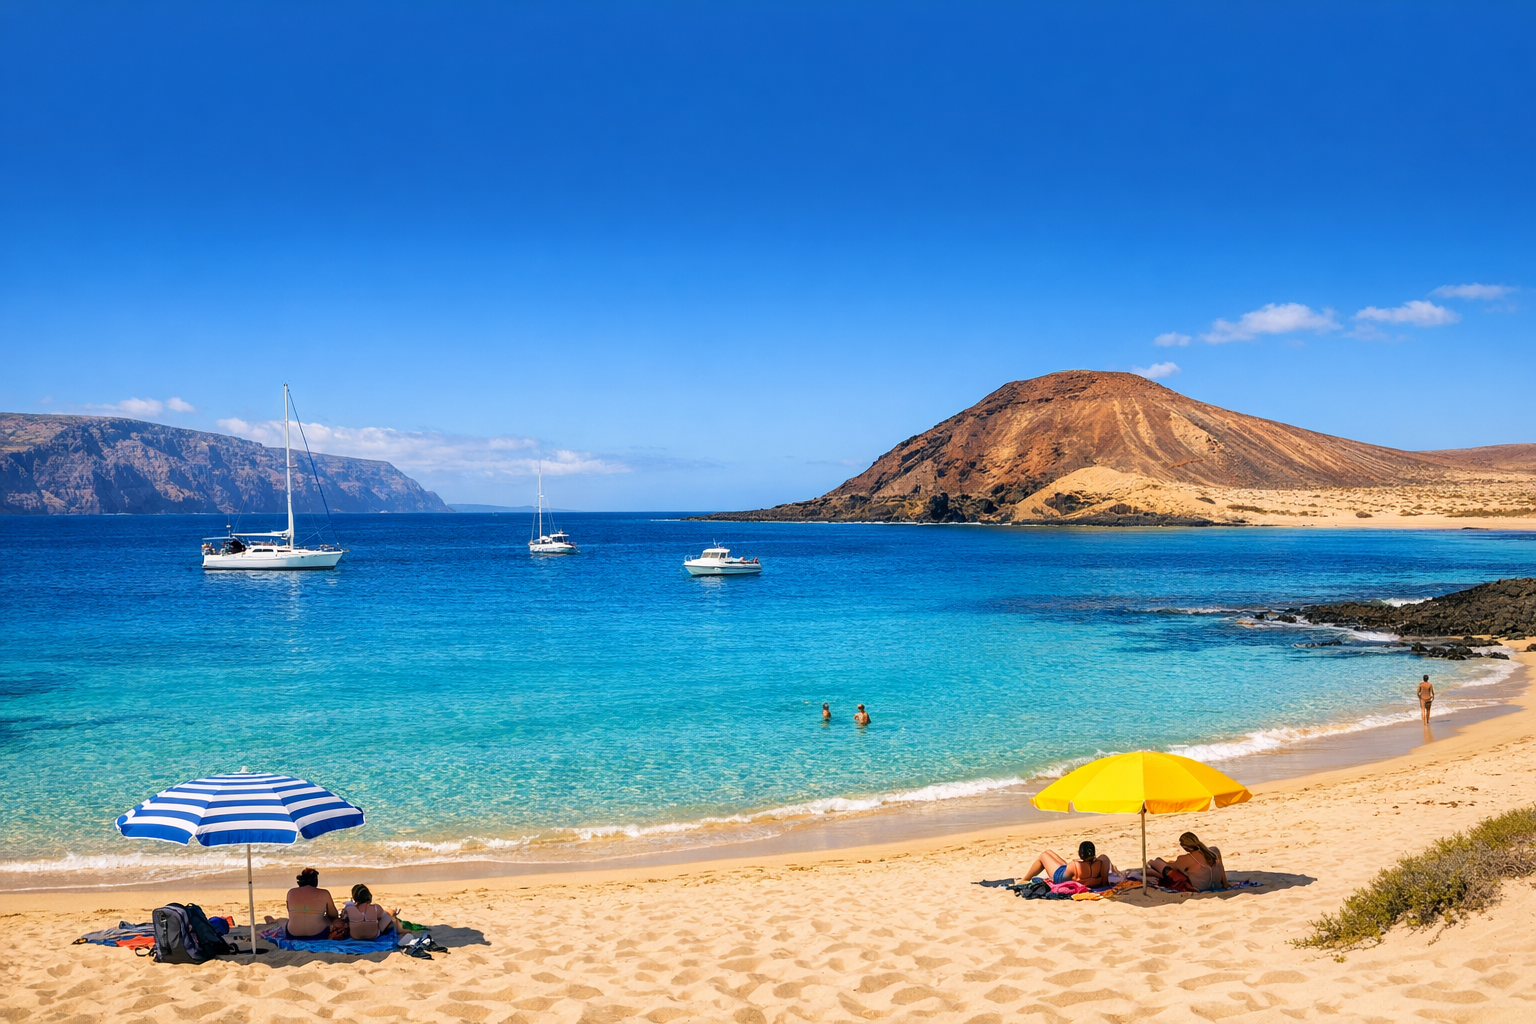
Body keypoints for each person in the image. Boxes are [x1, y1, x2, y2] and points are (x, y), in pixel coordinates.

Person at [267, 867, 339, 939]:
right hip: (318, 934)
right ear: (315, 880)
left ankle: (272, 921)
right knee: (326, 918)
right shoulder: (324, 893)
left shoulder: (291, 892)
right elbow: (334, 915)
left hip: (292, 934)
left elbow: (290, 912)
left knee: (283, 920)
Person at [1148, 832, 1228, 891]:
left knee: (1163, 866)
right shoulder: (1215, 851)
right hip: (1218, 886)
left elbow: (1170, 867)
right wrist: (1225, 884)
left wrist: (1156, 862)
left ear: (1185, 847)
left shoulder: (1186, 859)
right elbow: (1222, 869)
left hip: (1200, 889)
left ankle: (1151, 862)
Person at [1023, 841, 1115, 888]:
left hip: (1060, 876)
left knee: (1044, 855)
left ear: (1080, 854)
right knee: (1049, 852)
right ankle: (1025, 878)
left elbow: (1063, 880)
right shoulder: (1102, 863)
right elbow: (1104, 882)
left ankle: (1025, 879)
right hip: (1071, 872)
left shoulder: (1074, 865)